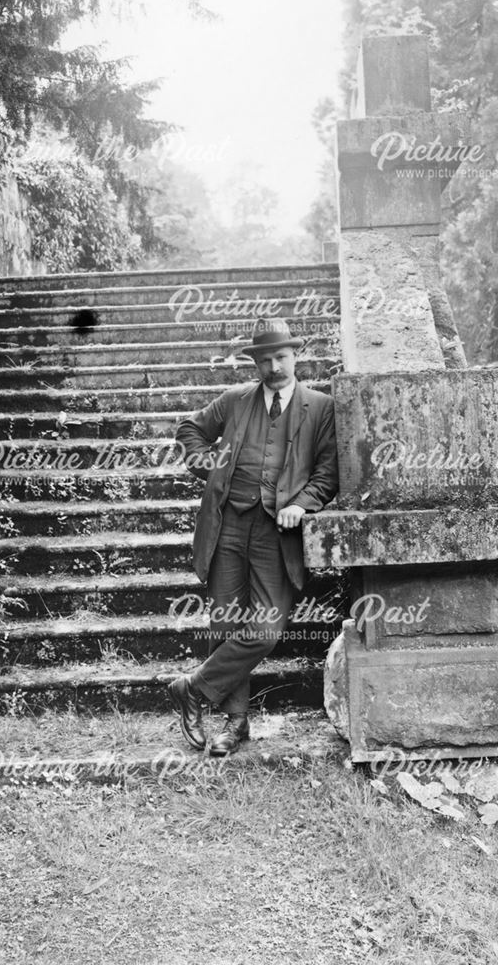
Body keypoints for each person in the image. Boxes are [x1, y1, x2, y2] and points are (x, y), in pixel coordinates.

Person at [168, 317, 339, 756]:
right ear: (255, 363)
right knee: (226, 623)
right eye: (265, 360)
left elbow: (328, 470)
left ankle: (193, 688)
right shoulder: (235, 400)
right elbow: (189, 431)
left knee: (263, 630)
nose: (274, 367)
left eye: (281, 357)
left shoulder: (319, 407)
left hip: (275, 532)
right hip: (227, 525)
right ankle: (235, 723)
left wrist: (303, 503)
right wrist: (212, 465)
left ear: (295, 357)